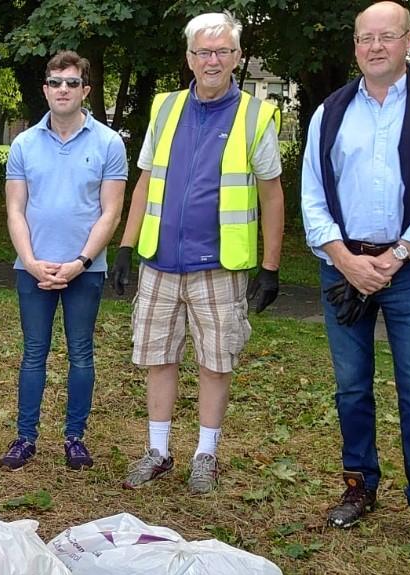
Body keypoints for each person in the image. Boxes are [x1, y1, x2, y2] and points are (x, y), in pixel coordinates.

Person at [301, 1, 410, 550]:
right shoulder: (329, 111)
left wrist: (397, 255)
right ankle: (358, 486)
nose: (375, 47)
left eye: (387, 36)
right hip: (341, 267)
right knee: (351, 387)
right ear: (354, 45)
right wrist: (346, 259)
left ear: (408, 41)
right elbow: (312, 197)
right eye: (365, 38)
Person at [112, 11, 283, 495]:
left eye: (222, 51)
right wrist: (125, 247)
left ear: (237, 57)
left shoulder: (255, 116)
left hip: (220, 267)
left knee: (216, 361)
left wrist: (269, 267)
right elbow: (145, 179)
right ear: (189, 58)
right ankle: (159, 450)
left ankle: (205, 454)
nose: (212, 60)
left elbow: (272, 194)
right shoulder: (165, 109)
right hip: (160, 262)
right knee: (158, 357)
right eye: (203, 51)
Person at [0, 51, 127, 472]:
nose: (63, 90)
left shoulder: (108, 143)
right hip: (32, 270)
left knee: (81, 354)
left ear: (85, 90)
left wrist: (80, 261)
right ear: (45, 89)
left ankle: (75, 437)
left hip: (84, 270)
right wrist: (32, 262)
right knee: (33, 353)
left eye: (72, 83)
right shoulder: (23, 144)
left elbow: (110, 212)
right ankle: (25, 437)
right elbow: (15, 210)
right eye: (55, 82)